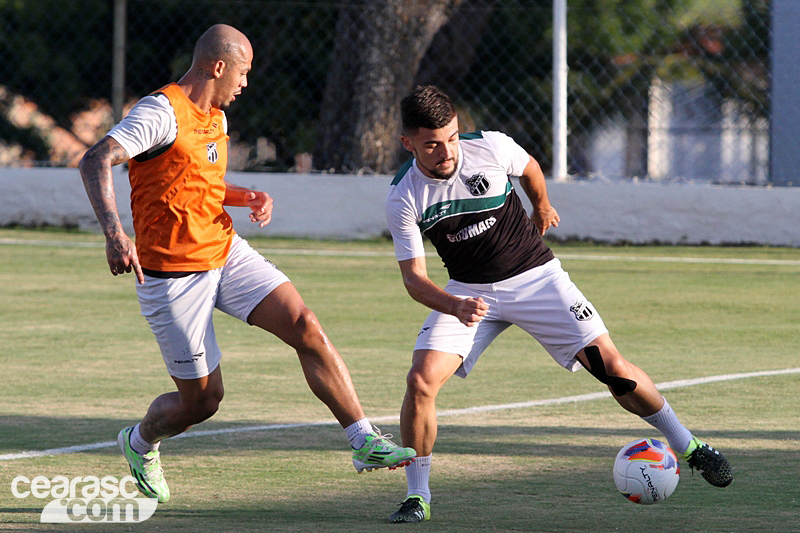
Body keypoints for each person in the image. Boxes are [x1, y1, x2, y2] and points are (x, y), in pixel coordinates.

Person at [78, 24, 415, 504]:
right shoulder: (160, 112)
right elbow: (95, 159)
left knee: (306, 325)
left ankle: (363, 441)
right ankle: (139, 442)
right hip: (173, 276)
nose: (245, 82)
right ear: (218, 66)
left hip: (225, 251)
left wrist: (244, 195)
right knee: (203, 402)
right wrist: (114, 232)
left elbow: (197, 183)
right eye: (244, 70)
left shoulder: (216, 116)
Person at [384, 85, 732, 523]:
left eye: (452, 137)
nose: (445, 151)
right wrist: (454, 305)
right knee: (420, 382)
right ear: (408, 143)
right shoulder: (404, 195)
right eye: (432, 144)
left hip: (537, 280)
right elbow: (414, 280)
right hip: (468, 293)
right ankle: (418, 497)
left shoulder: (490, 147)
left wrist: (542, 205)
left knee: (613, 370)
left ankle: (690, 447)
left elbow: (529, 167)